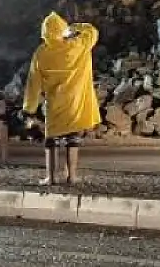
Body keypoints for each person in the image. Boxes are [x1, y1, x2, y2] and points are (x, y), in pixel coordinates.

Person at [21, 12, 101, 186]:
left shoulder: (41, 53)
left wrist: (29, 109)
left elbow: (33, 83)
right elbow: (92, 30)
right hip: (76, 102)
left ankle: (51, 177)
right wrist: (73, 29)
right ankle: (71, 176)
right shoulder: (79, 45)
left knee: (51, 140)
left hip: (54, 103)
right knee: (73, 139)